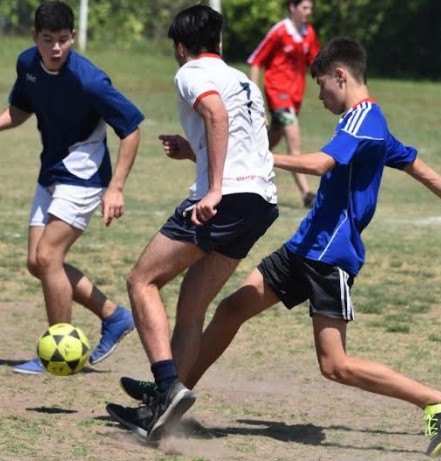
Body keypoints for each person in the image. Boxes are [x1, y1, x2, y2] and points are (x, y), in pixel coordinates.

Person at [117, 38, 441, 457]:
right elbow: (416, 165)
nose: (319, 97)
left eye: (321, 85)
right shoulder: (367, 122)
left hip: (330, 255)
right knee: (230, 310)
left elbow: (319, 164)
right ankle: (169, 397)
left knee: (335, 365)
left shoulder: (364, 121)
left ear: (341, 76)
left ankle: (438, 400)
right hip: (305, 246)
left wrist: (254, 157)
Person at [104, 4, 279, 443]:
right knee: (191, 306)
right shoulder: (244, 81)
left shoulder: (190, 72)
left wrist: (214, 188)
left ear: (181, 47)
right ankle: (163, 414)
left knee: (142, 281)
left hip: (226, 199)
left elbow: (216, 115)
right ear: (217, 41)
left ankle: (166, 387)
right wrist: (194, 152)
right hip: (261, 202)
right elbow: (245, 139)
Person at [0, 0, 141, 373]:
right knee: (38, 262)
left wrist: (116, 187)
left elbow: (131, 129)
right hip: (51, 170)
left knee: (49, 257)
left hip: (84, 174)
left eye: (63, 39)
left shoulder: (90, 81)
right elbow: (21, 107)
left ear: (73, 36)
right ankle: (114, 316)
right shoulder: (28, 64)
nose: (56, 48)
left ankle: (59, 353)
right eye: (48, 40)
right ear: (35, 38)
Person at [248, 0, 320, 208]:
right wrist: (254, 95)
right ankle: (307, 195)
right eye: (304, 7)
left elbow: (316, 63)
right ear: (292, 7)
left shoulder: (308, 33)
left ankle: (248, 161)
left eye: (310, 8)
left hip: (295, 96)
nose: (308, 12)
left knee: (273, 137)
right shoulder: (280, 31)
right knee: (294, 140)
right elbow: (256, 60)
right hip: (278, 93)